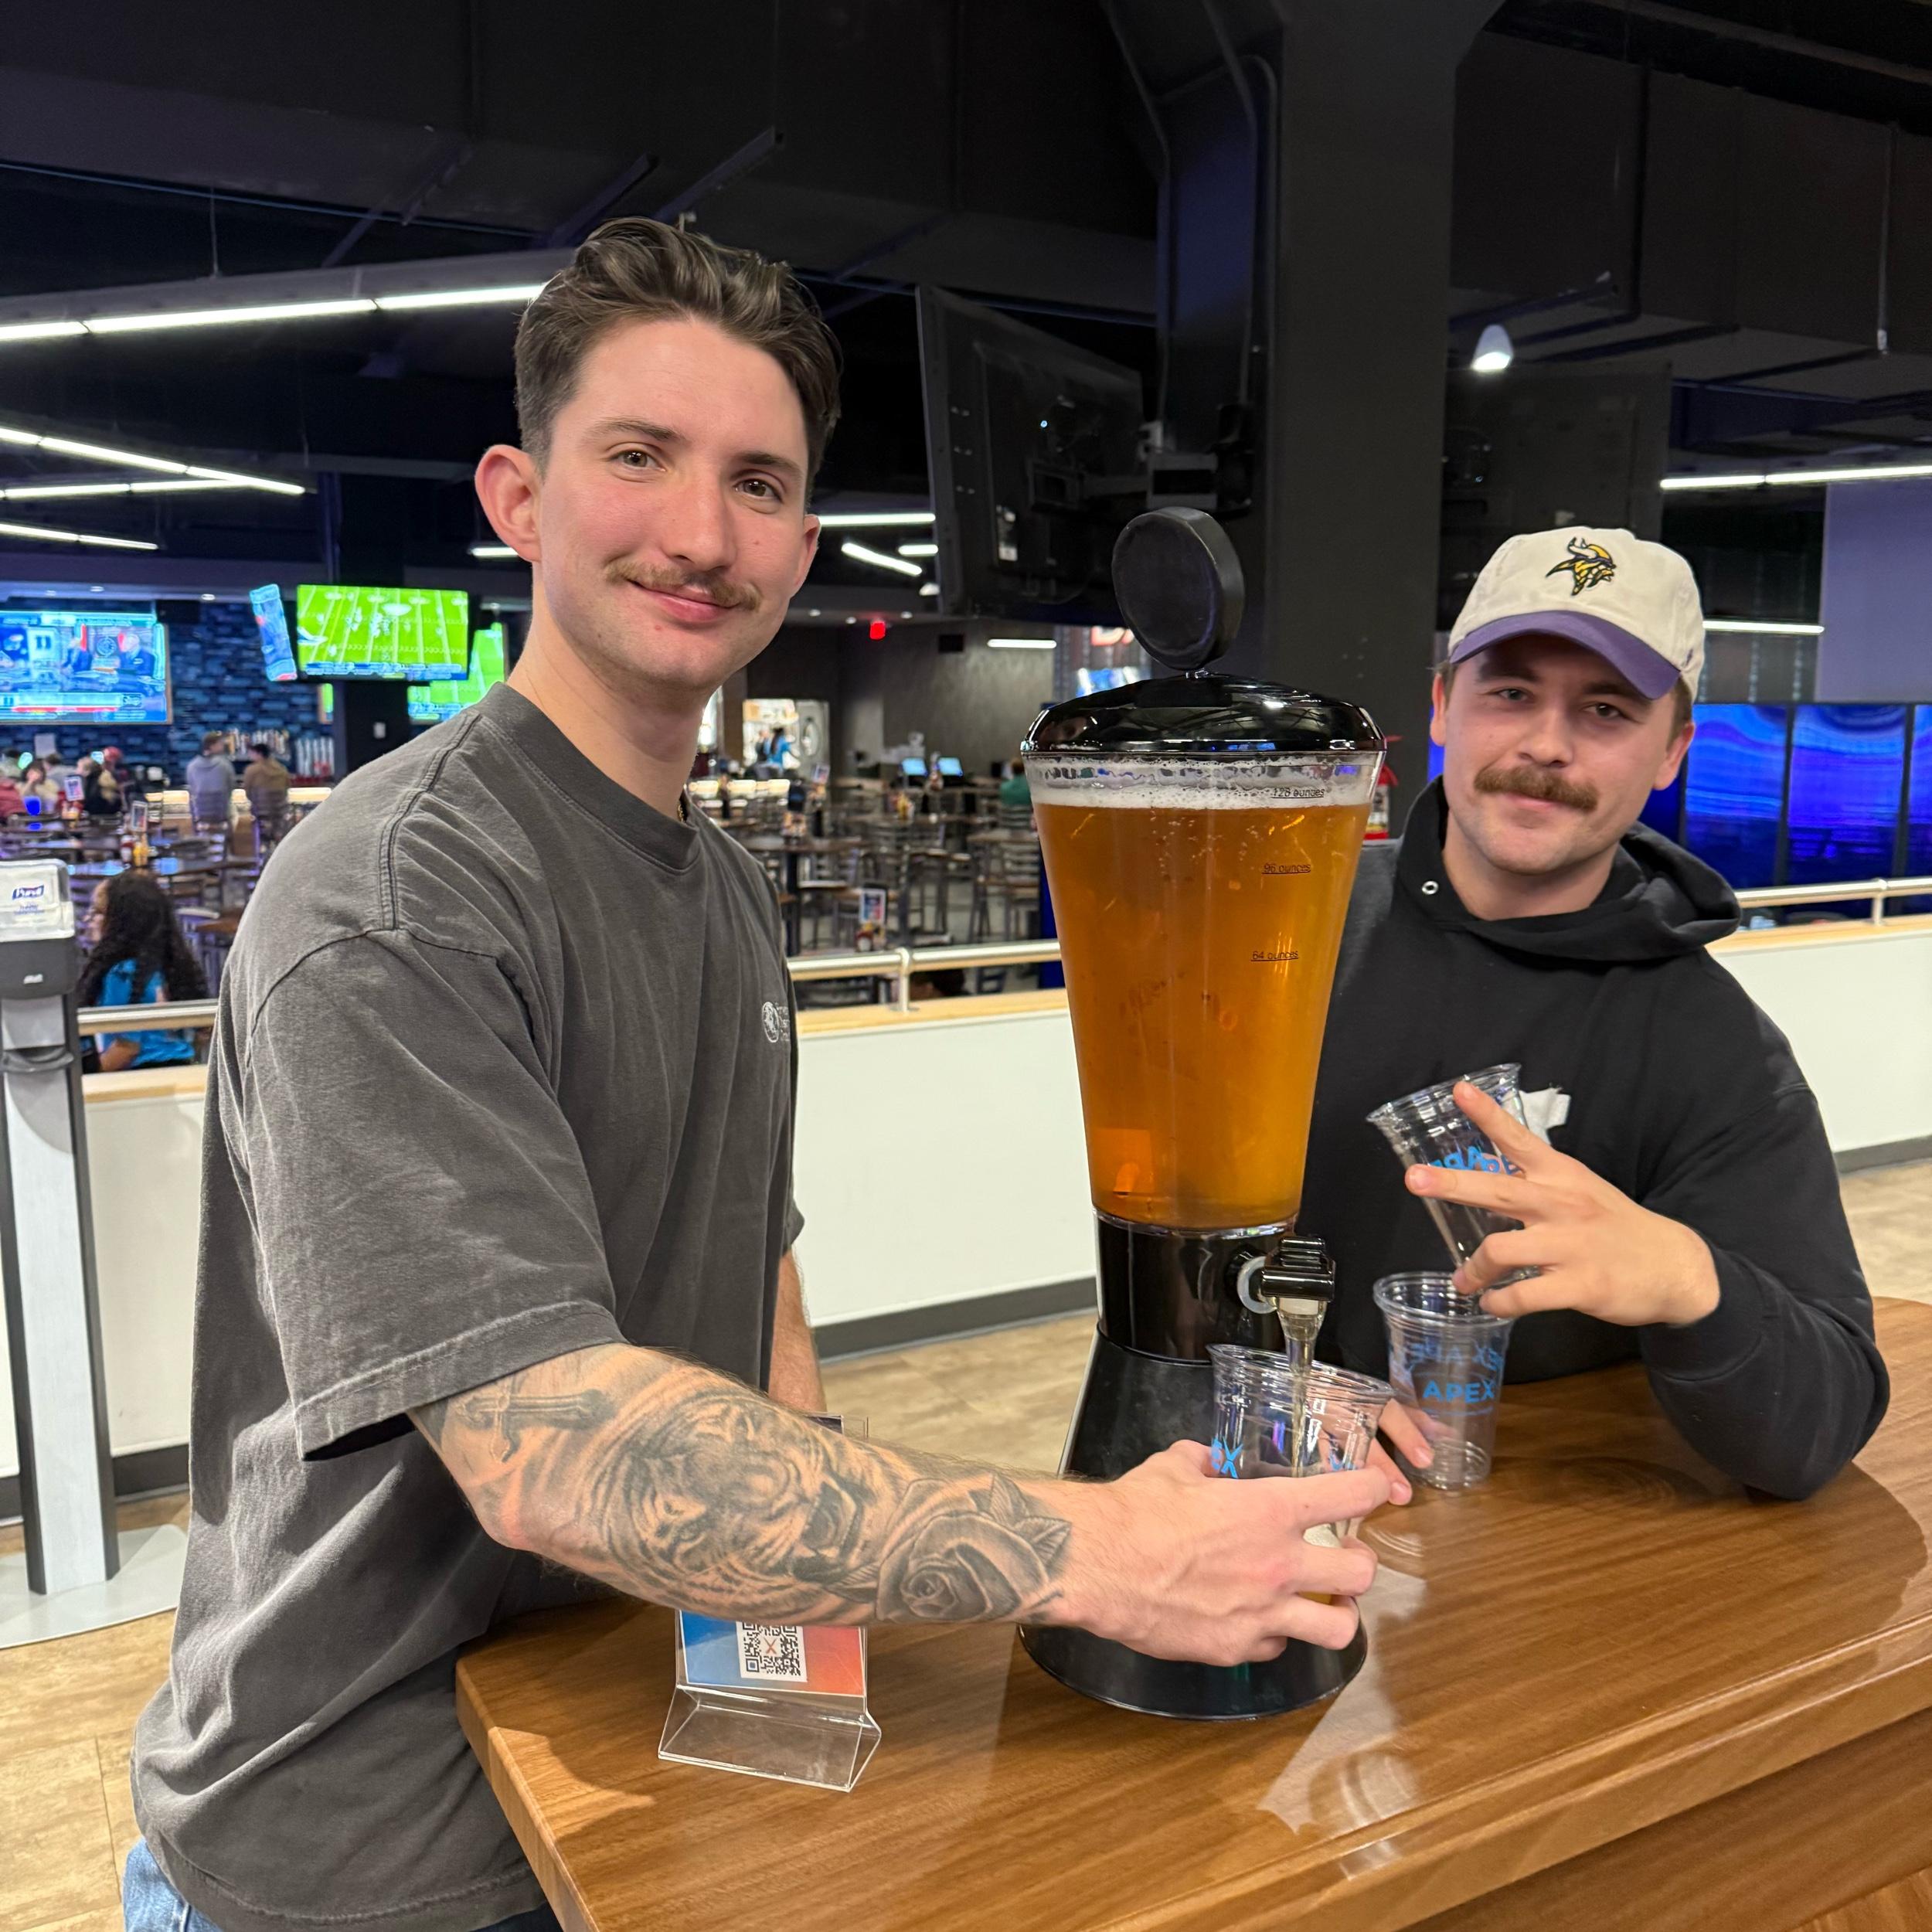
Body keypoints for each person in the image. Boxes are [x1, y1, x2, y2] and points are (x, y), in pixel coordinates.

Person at [128, 217, 1390, 1932]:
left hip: (621, 1754)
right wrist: (1099, 1549)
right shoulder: (398, 895)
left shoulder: (715, 883)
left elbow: (749, 1256)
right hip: (367, 1836)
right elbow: (544, 1447)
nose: (701, 534)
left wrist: (789, 1618)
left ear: (801, 544)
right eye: (638, 457)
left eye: (758, 483)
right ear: (518, 496)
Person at [1304, 526, 1888, 1505]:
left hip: (1543, 1534)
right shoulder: (1283, 937)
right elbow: (1159, 1264)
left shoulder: (1710, 1044)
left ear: (1672, 751)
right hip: (1262, 1499)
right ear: (1442, 705)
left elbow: (1819, 1425)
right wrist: (1260, 1383)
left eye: (1606, 709)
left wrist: (1688, 1277)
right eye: (1510, 692)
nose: (1546, 744)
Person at [77, 872, 205, 1072]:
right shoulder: (169, 966)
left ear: (122, 921)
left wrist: (84, 1079)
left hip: (139, 1074)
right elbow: (202, 1034)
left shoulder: (123, 974)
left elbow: (126, 1049)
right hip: (182, 1068)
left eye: (97, 912)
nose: (89, 919)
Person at [240, 740, 292, 851]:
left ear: (259, 754)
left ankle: (263, 852)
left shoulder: (252, 770)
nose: (250, 756)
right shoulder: (282, 769)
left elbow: (248, 792)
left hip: (262, 815)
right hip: (281, 815)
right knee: (279, 838)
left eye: (252, 753)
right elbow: (287, 788)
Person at [185, 732, 237, 835]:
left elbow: (192, 788)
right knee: (236, 813)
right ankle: (228, 840)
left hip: (201, 817)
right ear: (212, 746)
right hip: (222, 817)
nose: (223, 747)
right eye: (220, 744)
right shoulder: (225, 765)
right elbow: (231, 787)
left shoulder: (192, 766)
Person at [80, 755, 123, 819]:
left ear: (86, 770)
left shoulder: (89, 782)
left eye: (78, 767)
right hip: (113, 819)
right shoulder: (108, 777)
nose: (76, 770)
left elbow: (88, 803)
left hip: (95, 820)